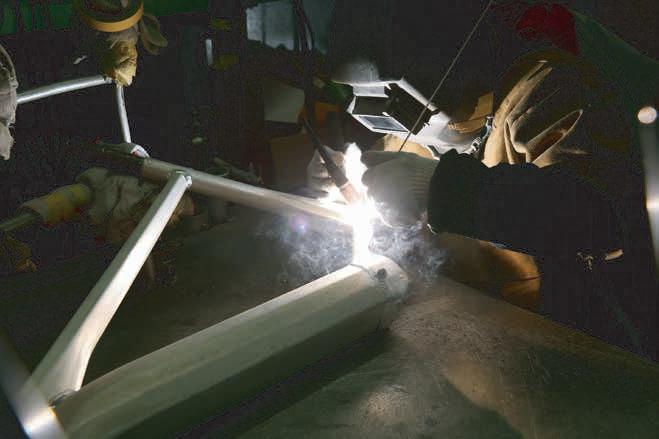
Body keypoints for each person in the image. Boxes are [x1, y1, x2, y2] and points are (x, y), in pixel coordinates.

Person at [310, 4, 659, 359]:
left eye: (391, 95)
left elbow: (597, 217)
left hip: (585, 342)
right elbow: (394, 165)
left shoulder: (548, 91)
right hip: (487, 336)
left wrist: (440, 189)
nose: (376, 112)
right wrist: (351, 172)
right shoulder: (414, 126)